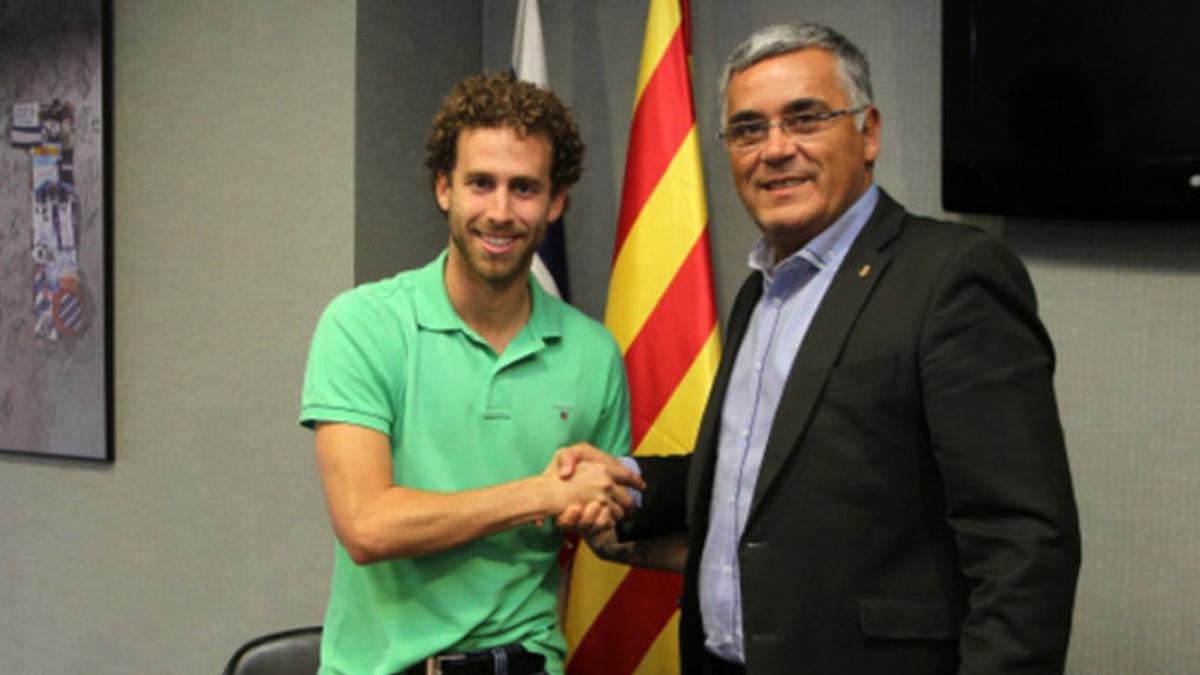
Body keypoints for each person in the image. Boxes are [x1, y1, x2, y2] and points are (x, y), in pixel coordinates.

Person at [570, 22, 1082, 675]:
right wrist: (625, 482)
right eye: (749, 129)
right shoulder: (761, 291)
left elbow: (1024, 545)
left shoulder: (952, 276)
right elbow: (761, 467)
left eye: (805, 118)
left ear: (868, 132)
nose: (775, 149)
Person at [299, 71, 642, 675]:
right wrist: (542, 492)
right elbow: (367, 526)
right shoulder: (363, 325)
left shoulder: (593, 352)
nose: (501, 212)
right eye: (480, 184)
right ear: (443, 189)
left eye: (525, 188)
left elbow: (603, 529)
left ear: (555, 202)